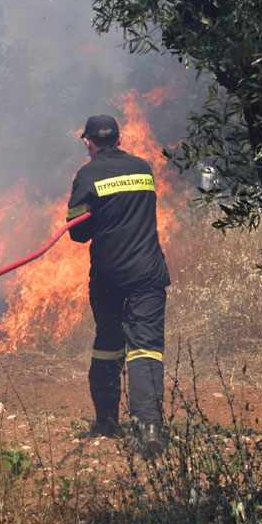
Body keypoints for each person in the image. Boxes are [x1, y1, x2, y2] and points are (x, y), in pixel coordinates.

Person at [66, 115, 170, 454]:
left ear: (88, 141)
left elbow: (77, 232)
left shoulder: (87, 175)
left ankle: (106, 421)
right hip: (147, 274)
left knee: (108, 343)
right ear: (119, 138)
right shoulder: (143, 168)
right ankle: (149, 428)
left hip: (108, 276)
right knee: (146, 347)